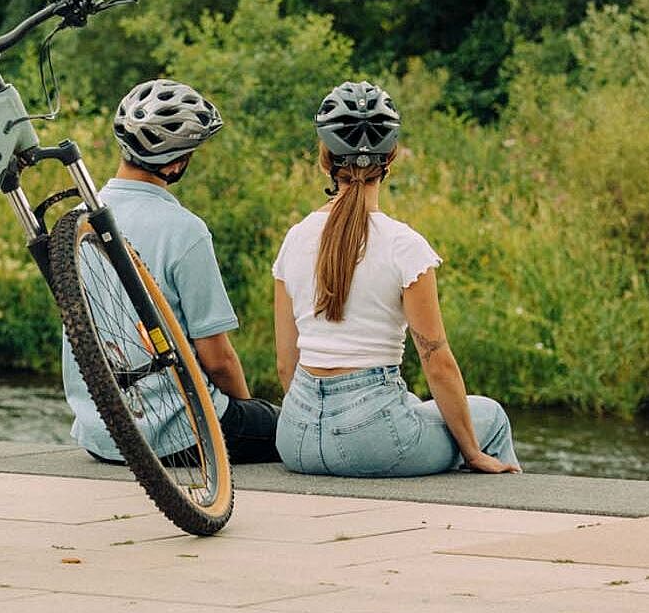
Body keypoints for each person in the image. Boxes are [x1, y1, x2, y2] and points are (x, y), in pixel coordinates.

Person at [272, 81, 520, 477]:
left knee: (421, 411)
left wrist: (318, 422)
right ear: (390, 159)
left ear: (324, 161)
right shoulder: (404, 245)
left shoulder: (295, 238)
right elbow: (437, 363)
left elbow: (287, 363)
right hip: (372, 439)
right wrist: (473, 453)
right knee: (489, 415)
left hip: (295, 438)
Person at [63, 79, 282, 465]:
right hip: (176, 434)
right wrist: (245, 412)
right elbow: (218, 360)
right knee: (282, 426)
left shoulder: (78, 224)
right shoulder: (185, 230)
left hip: (101, 434)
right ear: (176, 162)